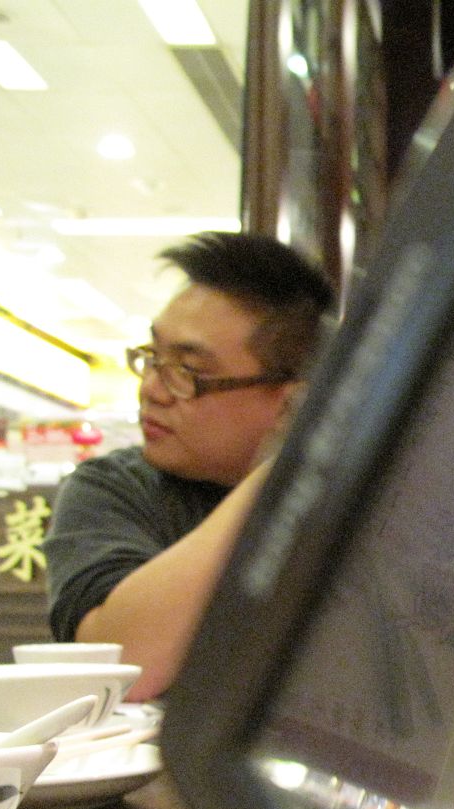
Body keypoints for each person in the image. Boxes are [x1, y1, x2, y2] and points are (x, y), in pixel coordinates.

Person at [43, 232, 335, 701]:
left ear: (290, 403)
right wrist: (286, 467)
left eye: (188, 372)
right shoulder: (117, 489)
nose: (151, 390)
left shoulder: (351, 504)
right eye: (153, 358)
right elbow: (123, 664)